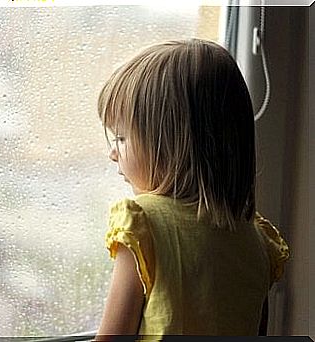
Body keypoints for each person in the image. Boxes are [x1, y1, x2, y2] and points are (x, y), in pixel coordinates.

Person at [95, 39, 289, 339]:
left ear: (167, 144)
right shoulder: (259, 242)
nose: (113, 152)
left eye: (121, 138)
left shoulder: (144, 225)